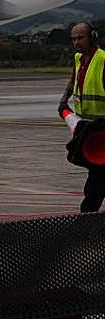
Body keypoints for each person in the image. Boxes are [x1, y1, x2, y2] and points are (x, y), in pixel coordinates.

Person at [59, 22, 105, 212]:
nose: (76, 42)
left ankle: (87, 217)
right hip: (88, 128)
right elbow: (73, 80)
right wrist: (64, 101)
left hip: (102, 128)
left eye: (80, 38)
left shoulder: (102, 59)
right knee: (97, 176)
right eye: (73, 39)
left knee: (96, 182)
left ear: (92, 37)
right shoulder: (79, 58)